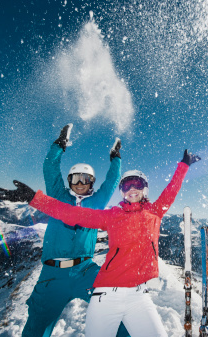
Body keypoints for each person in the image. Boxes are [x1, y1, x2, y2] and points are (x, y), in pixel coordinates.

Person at [0, 149, 201, 337]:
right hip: (79, 284)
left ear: (145, 188)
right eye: (127, 185)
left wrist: (183, 166)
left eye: (137, 184)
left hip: (112, 283)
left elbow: (169, 192)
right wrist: (33, 197)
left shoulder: (149, 211)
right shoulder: (108, 214)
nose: (132, 189)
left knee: (127, 329)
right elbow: (69, 211)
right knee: (37, 327)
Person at [21, 124, 129, 337]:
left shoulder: (97, 202)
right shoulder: (58, 198)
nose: (80, 183)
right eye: (76, 179)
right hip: (52, 275)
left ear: (92, 183)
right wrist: (58, 146)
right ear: (69, 181)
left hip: (85, 270)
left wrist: (115, 157)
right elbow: (50, 169)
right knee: (36, 326)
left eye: (85, 179)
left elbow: (112, 181)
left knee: (118, 309)